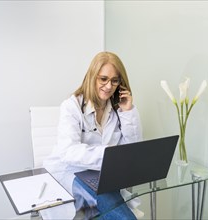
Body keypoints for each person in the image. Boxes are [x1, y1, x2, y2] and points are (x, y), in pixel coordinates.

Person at [44, 51, 143, 219]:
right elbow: (68, 151)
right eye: (103, 79)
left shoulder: (118, 109)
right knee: (118, 212)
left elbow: (133, 149)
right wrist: (109, 155)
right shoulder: (71, 106)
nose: (109, 86)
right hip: (71, 171)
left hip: (102, 175)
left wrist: (128, 112)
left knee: (108, 203)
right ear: (92, 77)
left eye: (115, 80)